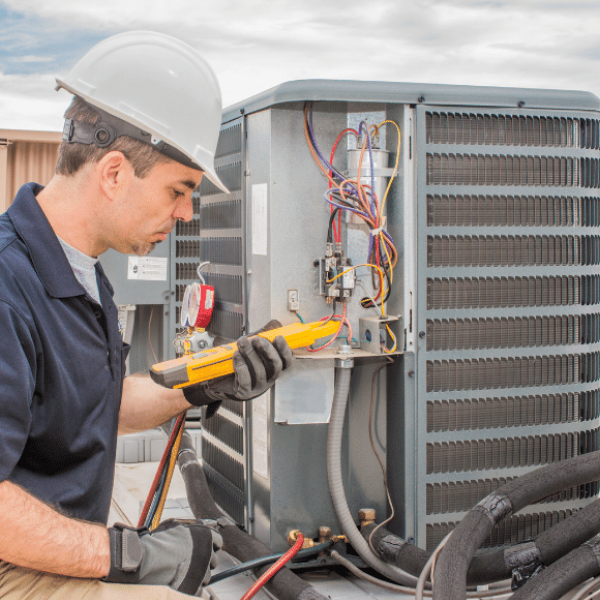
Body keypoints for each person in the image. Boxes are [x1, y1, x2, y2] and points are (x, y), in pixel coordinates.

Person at [0, 31, 293, 599]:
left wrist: (212, 379)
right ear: (113, 173)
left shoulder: (78, 272)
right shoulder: (8, 288)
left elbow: (98, 408)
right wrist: (128, 554)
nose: (186, 214)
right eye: (179, 190)